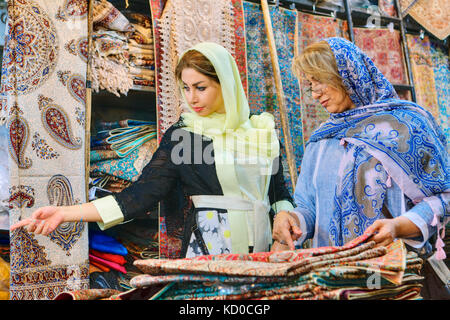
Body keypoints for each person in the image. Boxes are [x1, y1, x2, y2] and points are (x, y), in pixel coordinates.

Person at [11, 42, 294, 258]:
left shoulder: (261, 131)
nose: (191, 98)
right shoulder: (184, 137)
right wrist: (66, 213)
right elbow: (141, 194)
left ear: (226, 85)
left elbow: (278, 192)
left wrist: (284, 215)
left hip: (268, 249)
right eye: (185, 88)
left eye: (201, 87)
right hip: (211, 249)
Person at [272, 38, 449, 257]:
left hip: (394, 275)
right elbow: (309, 209)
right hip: (332, 277)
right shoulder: (323, 139)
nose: (315, 93)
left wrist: (398, 226)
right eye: (310, 85)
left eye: (319, 81)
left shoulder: (407, 126)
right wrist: (291, 220)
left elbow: (444, 198)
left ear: (346, 74)